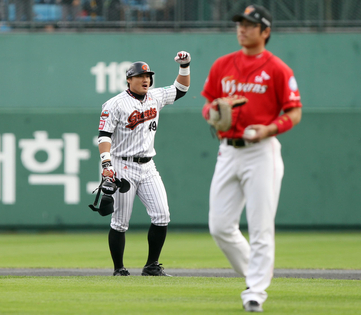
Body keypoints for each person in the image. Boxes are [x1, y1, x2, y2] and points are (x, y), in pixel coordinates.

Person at [200, 5, 302, 312]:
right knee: (219, 225)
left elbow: (294, 112)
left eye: (250, 24)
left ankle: (255, 292)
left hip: (261, 150)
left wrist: (269, 128)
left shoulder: (278, 69)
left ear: (265, 32)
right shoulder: (223, 65)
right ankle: (257, 272)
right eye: (240, 24)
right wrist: (214, 113)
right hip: (227, 150)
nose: (242, 29)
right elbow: (207, 104)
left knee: (260, 226)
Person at [97, 51, 191, 276]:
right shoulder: (114, 104)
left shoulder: (155, 97)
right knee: (120, 222)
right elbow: (104, 136)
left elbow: (181, 89)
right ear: (129, 79)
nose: (146, 79)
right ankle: (119, 268)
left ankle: (151, 266)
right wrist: (106, 165)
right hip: (122, 165)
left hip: (148, 165)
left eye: (148, 75)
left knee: (162, 215)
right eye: (140, 76)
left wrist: (185, 66)